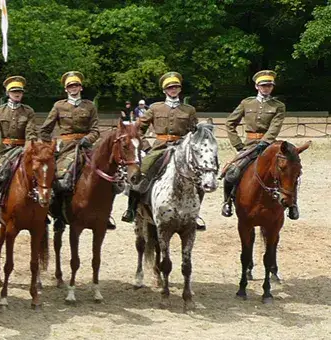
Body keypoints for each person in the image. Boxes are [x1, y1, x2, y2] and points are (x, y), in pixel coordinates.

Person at [122, 72, 203, 229]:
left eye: (176, 87)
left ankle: (195, 214)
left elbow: (195, 132)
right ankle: (131, 209)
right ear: (165, 90)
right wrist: (146, 146)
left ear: (179, 89)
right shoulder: (155, 108)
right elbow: (137, 130)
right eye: (170, 87)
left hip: (182, 149)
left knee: (199, 178)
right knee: (140, 174)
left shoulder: (189, 110)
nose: (173, 90)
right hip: (160, 148)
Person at [221, 70, 293, 219]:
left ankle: (293, 204)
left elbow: (275, 126)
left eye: (269, 86)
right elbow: (230, 123)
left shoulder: (278, 106)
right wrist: (238, 145)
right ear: (256, 86)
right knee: (231, 172)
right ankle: (227, 202)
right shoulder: (247, 103)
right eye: (263, 85)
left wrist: (265, 142)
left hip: (270, 147)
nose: (266, 88)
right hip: (249, 146)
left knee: (289, 171)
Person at [39, 71, 101, 232]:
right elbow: (45, 130)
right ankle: (59, 215)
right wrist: (50, 145)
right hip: (66, 148)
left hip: (85, 147)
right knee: (58, 179)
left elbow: (95, 130)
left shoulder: (89, 106)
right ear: (66, 89)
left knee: (104, 176)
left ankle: (102, 214)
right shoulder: (59, 106)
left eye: (76, 85)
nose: (74, 88)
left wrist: (88, 139)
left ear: (81, 87)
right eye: (70, 86)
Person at [0, 76, 39, 225]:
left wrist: (28, 148)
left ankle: (42, 212)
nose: (17, 94)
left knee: (40, 175)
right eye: (14, 92)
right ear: (8, 93)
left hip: (22, 150)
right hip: (4, 152)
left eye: (19, 91)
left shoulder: (28, 111)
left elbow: (31, 133)